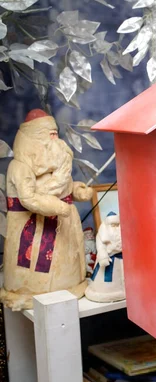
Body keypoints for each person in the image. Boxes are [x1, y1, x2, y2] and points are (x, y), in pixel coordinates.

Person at [0, 109, 93, 311]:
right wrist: (59, 207)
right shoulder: (20, 167)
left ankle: (68, 284)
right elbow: (29, 198)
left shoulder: (57, 164)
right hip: (35, 232)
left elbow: (63, 187)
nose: (55, 140)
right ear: (35, 138)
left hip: (65, 230)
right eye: (50, 135)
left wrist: (78, 190)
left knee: (65, 269)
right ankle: (35, 291)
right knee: (37, 274)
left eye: (56, 134)